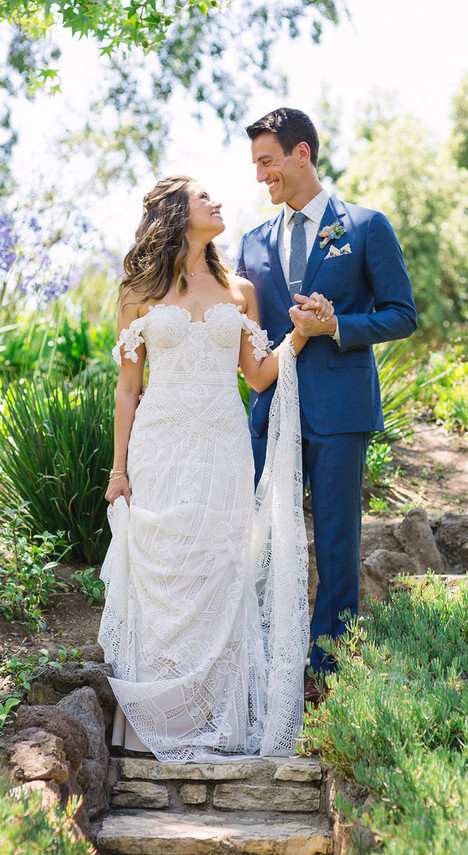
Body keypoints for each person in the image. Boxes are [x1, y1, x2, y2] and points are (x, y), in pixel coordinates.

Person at [98, 174, 333, 761]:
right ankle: (157, 722)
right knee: (167, 570)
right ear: (177, 213)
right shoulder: (138, 294)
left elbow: (257, 376)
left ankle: (220, 724)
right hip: (161, 445)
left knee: (221, 566)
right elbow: (130, 389)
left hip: (224, 445)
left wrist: (299, 337)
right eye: (205, 197)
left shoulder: (241, 291)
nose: (218, 202)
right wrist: (118, 469)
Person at [236, 108, 417, 699]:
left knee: (337, 544)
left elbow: (402, 315)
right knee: (262, 540)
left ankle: (328, 677)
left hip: (340, 411)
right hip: (272, 411)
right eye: (256, 164)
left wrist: (339, 325)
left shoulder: (365, 227)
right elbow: (247, 333)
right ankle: (263, 670)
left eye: (268, 161)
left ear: (302, 154)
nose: (261, 175)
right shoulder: (252, 243)